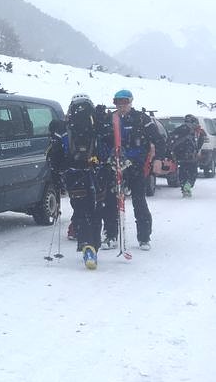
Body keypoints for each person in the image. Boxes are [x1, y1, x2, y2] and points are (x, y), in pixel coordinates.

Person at [48, 94, 109, 269]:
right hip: (97, 175)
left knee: (81, 211)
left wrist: (57, 180)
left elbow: (54, 158)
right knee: (96, 211)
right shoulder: (98, 127)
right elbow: (110, 149)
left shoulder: (63, 129)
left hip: (74, 176)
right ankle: (93, 246)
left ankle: (85, 244)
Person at [106, 89, 167, 250]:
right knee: (111, 201)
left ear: (131, 102)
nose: (121, 105)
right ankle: (111, 235)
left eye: (125, 102)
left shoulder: (141, 119)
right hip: (116, 167)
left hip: (136, 167)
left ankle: (144, 237)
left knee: (139, 200)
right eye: (118, 102)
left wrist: (158, 159)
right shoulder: (111, 119)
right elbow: (103, 141)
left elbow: (159, 140)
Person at [169, 114, 205, 198]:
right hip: (191, 155)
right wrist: (196, 150)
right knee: (193, 172)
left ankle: (184, 187)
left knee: (183, 171)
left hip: (180, 156)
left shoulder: (179, 129)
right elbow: (200, 141)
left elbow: (172, 139)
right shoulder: (196, 130)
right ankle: (188, 186)